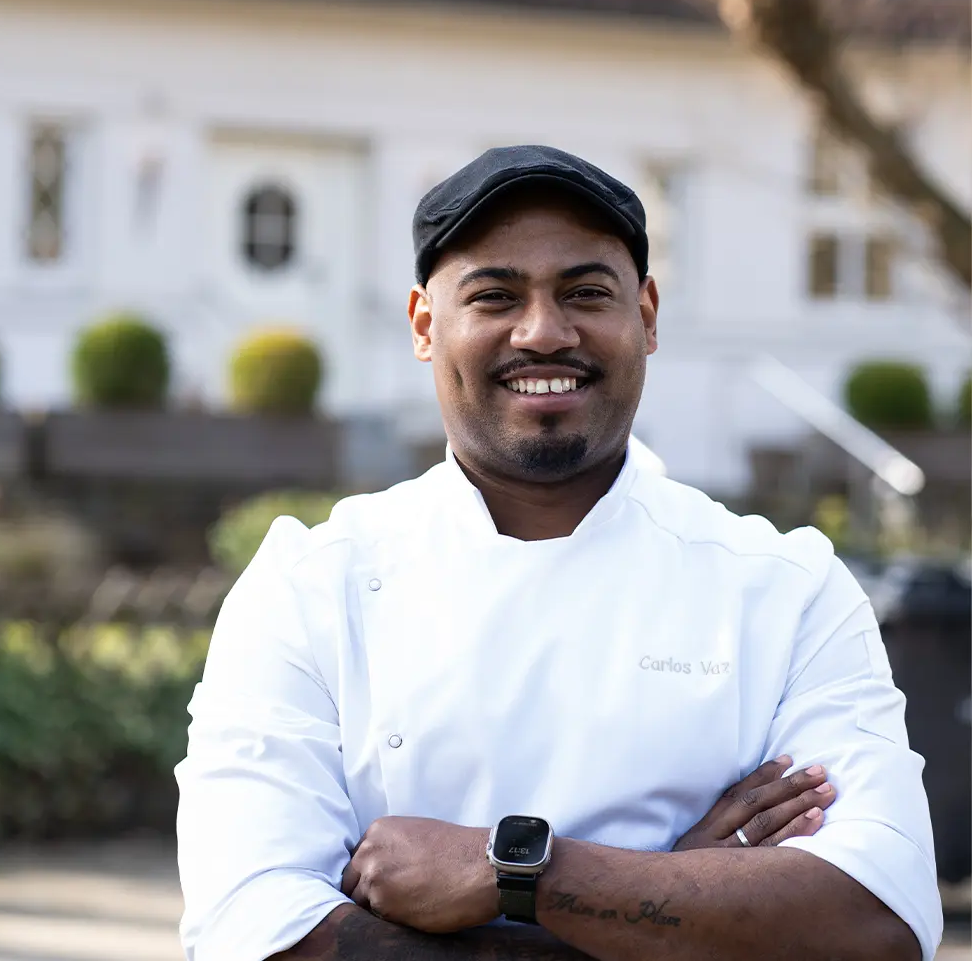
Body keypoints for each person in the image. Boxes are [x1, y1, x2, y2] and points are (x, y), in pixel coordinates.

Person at [176, 145, 941, 961]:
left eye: (585, 292)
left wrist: (515, 873)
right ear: (425, 327)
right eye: (496, 295)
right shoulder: (309, 586)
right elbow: (252, 926)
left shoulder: (786, 589)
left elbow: (875, 922)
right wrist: (672, 892)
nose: (544, 331)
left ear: (646, 316)